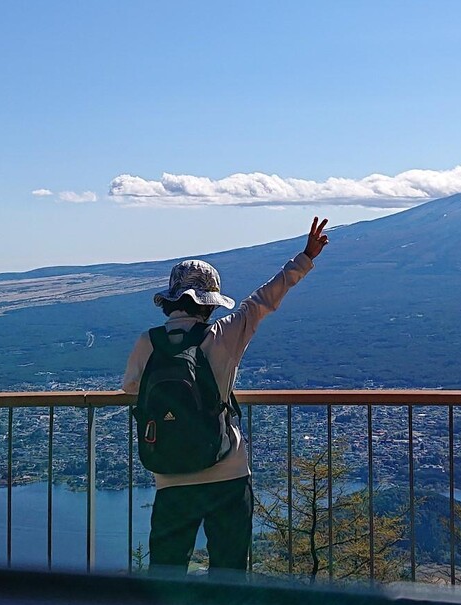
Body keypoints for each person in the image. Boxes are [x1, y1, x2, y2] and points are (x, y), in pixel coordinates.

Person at [123, 216, 329, 573]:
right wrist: (305, 257)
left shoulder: (148, 342)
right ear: (208, 303)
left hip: (170, 475)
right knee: (230, 572)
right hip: (227, 472)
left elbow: (131, 388)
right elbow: (264, 300)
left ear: (171, 301)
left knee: (167, 573)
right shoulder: (223, 334)